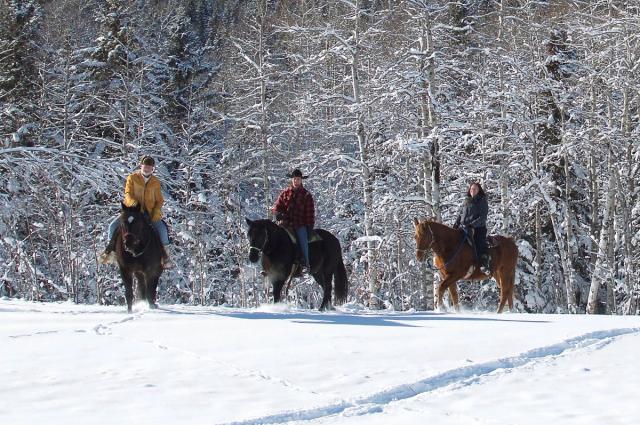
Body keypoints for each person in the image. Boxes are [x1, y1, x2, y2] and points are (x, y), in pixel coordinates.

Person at [99, 155, 173, 269]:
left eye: (149, 167)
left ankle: (165, 256)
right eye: (145, 166)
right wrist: (135, 205)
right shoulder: (132, 178)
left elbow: (159, 199)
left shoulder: (155, 182)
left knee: (162, 229)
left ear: (153, 169)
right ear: (141, 166)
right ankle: (110, 252)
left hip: (149, 213)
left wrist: (157, 210)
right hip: (132, 212)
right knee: (112, 226)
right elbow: (128, 194)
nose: (147, 169)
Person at [272, 168, 315, 273]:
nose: (296, 181)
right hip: (285, 224)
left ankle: (305, 263)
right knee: (272, 237)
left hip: (299, 224)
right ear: (292, 180)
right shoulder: (285, 193)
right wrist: (278, 214)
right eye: (295, 179)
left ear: (301, 180)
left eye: (298, 179)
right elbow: (277, 206)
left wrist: (309, 227)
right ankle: (272, 262)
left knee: (303, 241)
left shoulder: (306, 195)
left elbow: (310, 212)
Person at [453, 181, 490, 274]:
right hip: (464, 228)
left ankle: (483, 263)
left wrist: (472, 225)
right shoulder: (466, 201)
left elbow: (483, 217)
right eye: (471, 189)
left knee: (479, 243)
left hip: (478, 228)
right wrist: (456, 224)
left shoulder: (482, 201)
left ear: (479, 190)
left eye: (475, 189)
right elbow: (460, 214)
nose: (472, 191)